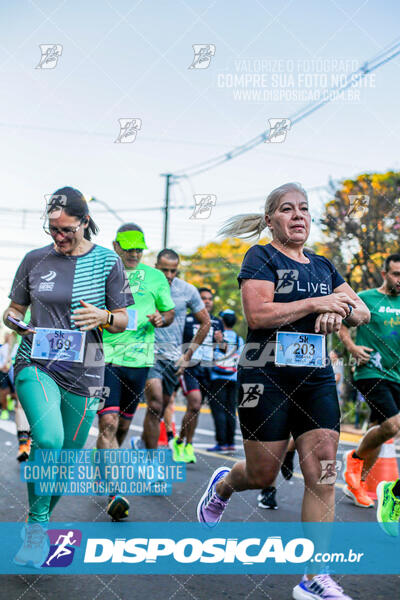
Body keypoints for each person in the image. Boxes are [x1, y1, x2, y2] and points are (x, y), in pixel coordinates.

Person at [196, 182, 370, 600]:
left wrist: (339, 309)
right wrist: (316, 305)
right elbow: (257, 315)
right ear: (271, 219)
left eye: (304, 209)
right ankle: (223, 485)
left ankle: (314, 577)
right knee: (262, 474)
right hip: (265, 376)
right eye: (287, 209)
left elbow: (360, 310)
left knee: (324, 471)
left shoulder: (324, 265)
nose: (298, 216)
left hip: (314, 378)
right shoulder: (261, 256)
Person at [6, 187, 133, 567]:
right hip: (36, 362)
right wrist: (22, 327)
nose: (59, 237)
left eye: (66, 229)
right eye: (52, 229)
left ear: (84, 222)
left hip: (86, 370)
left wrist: (105, 318)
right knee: (48, 438)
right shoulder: (34, 260)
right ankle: (38, 527)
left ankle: (36, 516)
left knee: (66, 463)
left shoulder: (107, 262)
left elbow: (124, 319)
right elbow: (10, 312)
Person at [96, 223, 175, 520]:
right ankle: (114, 491)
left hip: (139, 361)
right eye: (128, 247)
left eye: (138, 248)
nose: (133, 253)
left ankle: (101, 462)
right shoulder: (103, 273)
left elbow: (169, 312)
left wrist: (160, 318)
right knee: (109, 422)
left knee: (124, 427)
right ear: (116, 245)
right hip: (104, 357)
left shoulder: (155, 278)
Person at [340, 254, 400, 508]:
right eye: (396, 274)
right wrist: (352, 347)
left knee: (380, 430)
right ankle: (354, 458)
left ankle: (357, 483)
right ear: (385, 274)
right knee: (392, 425)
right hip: (370, 371)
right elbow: (342, 324)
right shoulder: (365, 298)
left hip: (396, 374)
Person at [139, 249, 210, 455]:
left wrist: (187, 356)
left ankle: (143, 444)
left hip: (174, 358)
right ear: (155, 268)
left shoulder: (187, 290)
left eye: (173, 271)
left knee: (159, 409)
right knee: (155, 401)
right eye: (164, 271)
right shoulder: (143, 287)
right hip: (148, 353)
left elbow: (205, 322)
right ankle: (150, 462)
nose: (169, 276)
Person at [173, 287, 224, 463]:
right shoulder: (186, 319)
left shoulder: (217, 322)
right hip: (189, 367)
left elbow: (223, 349)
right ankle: (181, 442)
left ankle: (186, 443)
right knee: (194, 404)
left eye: (210, 298)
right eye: (203, 298)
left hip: (207, 368)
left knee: (195, 409)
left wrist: (221, 342)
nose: (207, 301)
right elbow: (176, 341)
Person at [207, 309, 243, 453]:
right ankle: (231, 443)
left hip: (217, 378)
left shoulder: (216, 336)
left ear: (222, 321)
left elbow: (212, 355)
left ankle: (221, 443)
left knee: (218, 411)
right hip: (233, 378)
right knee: (230, 411)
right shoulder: (239, 338)